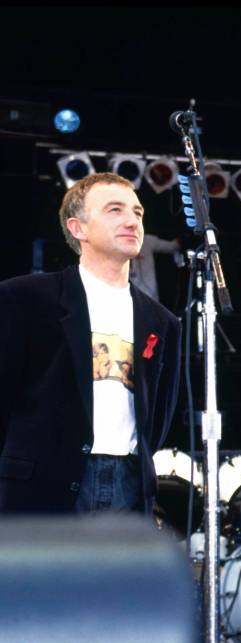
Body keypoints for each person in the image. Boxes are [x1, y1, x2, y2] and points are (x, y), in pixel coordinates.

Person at [0, 172, 182, 515]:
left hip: (128, 485)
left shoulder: (162, 322)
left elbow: (158, 417)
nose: (131, 221)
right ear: (77, 228)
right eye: (115, 210)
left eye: (137, 212)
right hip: (41, 484)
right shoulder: (23, 299)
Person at [129, 233, 181, 303]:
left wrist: (178, 242)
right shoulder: (117, 243)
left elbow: (171, 247)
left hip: (149, 294)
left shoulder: (148, 240)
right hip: (129, 295)